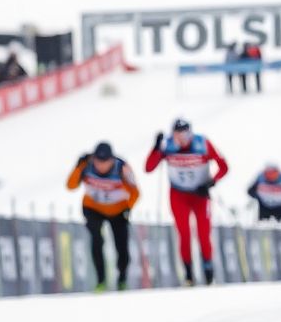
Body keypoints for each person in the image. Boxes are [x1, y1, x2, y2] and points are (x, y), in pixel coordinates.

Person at [145, 117, 228, 285]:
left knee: (204, 233)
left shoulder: (202, 143)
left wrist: (211, 182)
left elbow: (224, 166)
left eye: (185, 134)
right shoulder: (167, 145)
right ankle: (189, 272)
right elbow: (149, 168)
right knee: (184, 233)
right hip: (179, 194)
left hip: (199, 195)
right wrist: (155, 148)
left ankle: (208, 268)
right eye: (178, 135)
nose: (182, 139)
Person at [66, 142, 140, 292]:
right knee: (97, 241)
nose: (101, 166)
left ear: (112, 160)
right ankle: (101, 280)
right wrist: (77, 167)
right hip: (93, 208)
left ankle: (122, 278)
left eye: (105, 162)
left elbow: (135, 192)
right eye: (98, 162)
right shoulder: (86, 165)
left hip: (118, 210)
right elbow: (71, 186)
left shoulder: (122, 168)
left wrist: (128, 207)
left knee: (121, 245)